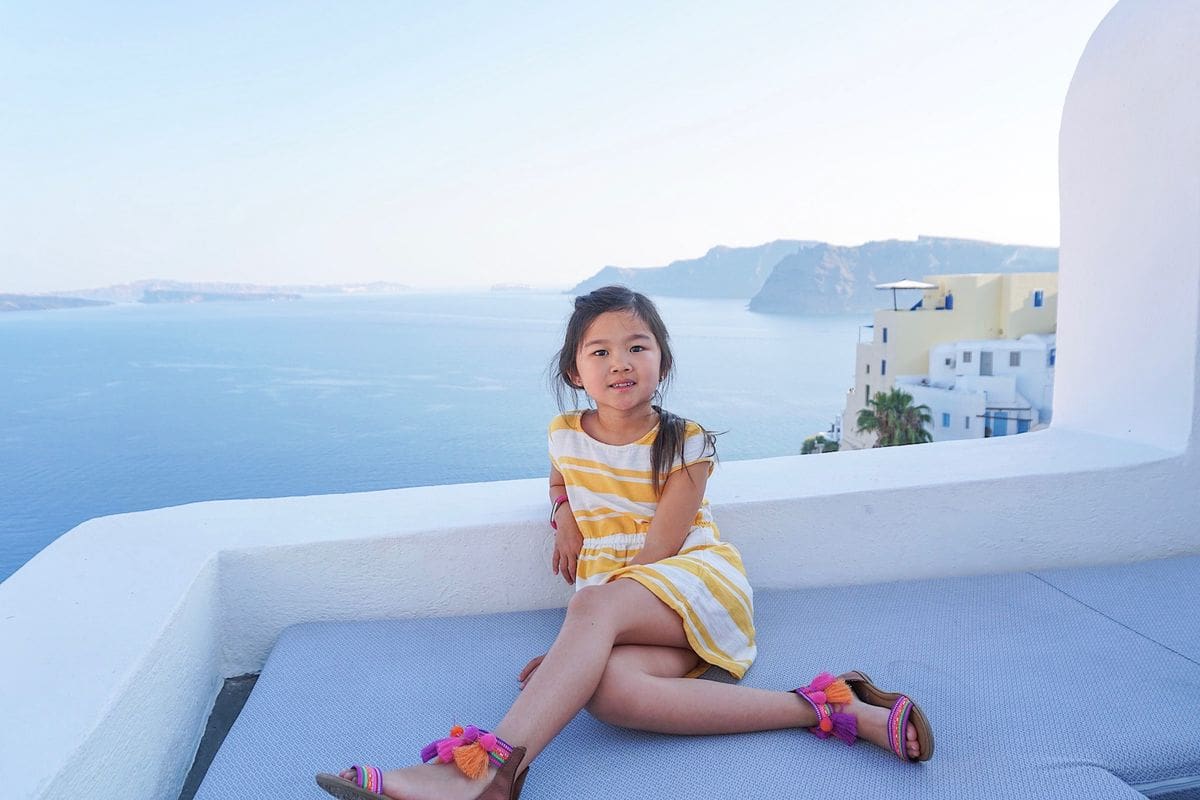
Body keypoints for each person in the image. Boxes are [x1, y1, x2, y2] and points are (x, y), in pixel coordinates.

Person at [317, 285, 933, 800]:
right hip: (625, 609)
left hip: (691, 581)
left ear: (662, 360)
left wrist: (578, 638)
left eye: (638, 347)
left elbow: (659, 553)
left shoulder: (686, 442)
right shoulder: (563, 434)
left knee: (592, 611)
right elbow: (561, 478)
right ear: (573, 370)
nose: (620, 362)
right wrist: (563, 518)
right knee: (607, 694)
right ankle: (830, 706)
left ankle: (483, 770)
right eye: (601, 350)